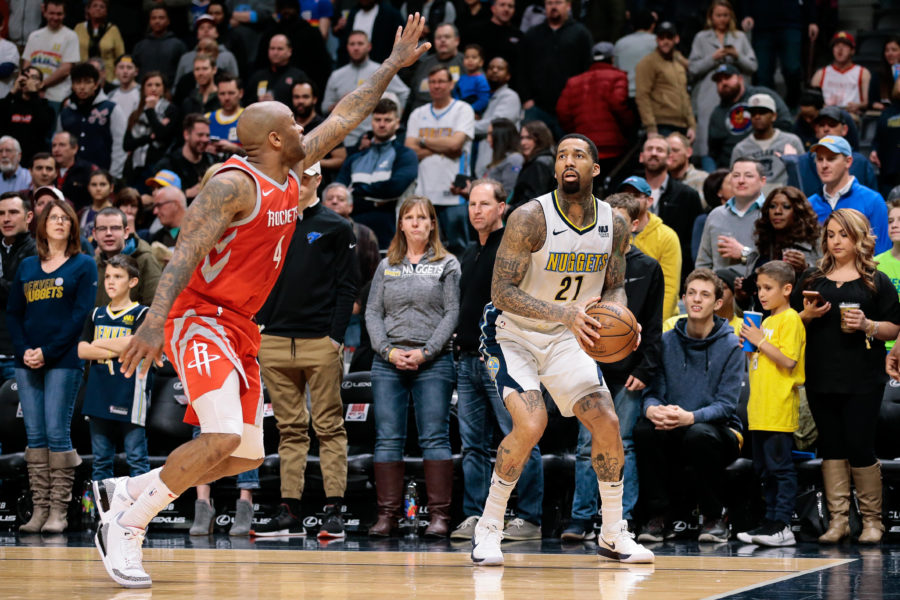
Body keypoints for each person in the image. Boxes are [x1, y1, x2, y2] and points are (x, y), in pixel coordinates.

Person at [91, 15, 429, 589]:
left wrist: (391, 67)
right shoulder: (231, 183)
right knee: (221, 436)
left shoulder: (290, 170)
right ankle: (128, 522)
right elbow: (181, 254)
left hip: (241, 324)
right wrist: (154, 322)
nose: (305, 127)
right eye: (294, 123)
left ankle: (128, 489)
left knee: (246, 454)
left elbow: (347, 113)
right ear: (274, 138)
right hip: (198, 316)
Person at [472, 134, 653, 566]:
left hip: (567, 337)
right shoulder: (529, 217)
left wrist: (620, 319)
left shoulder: (615, 222)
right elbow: (500, 291)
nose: (568, 161)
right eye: (561, 155)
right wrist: (564, 313)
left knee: (607, 422)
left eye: (579, 155)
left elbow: (614, 286)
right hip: (513, 334)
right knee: (531, 423)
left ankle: (612, 532)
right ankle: (490, 526)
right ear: (555, 169)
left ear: (595, 168)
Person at [253, 162, 357, 539]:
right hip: (274, 340)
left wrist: (335, 336)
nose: (297, 181)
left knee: (329, 426)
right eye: (291, 175)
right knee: (289, 429)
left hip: (319, 342)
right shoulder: (268, 222)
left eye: (304, 176)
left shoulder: (336, 226)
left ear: (317, 179)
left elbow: (348, 287)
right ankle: (289, 510)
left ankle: (334, 511)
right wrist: (259, 325)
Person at [563, 192, 664, 540]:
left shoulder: (648, 267)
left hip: (630, 371)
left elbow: (653, 324)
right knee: (583, 444)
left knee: (623, 443)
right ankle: (581, 518)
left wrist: (646, 369)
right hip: (587, 367)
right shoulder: (586, 263)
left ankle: (621, 518)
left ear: (634, 225)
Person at [797, 209, 900, 545]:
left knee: (860, 446)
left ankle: (873, 522)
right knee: (831, 447)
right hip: (820, 376)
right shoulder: (813, 279)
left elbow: (893, 327)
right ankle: (838, 521)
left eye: (843, 234)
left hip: (863, 378)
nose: (836, 241)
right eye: (831, 234)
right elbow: (790, 324)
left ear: (858, 238)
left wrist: (867, 325)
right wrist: (807, 316)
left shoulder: (876, 280)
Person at [452, 179, 544, 542]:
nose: (477, 210)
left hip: (503, 359)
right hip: (467, 359)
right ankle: (477, 514)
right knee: (472, 445)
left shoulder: (513, 251)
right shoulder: (469, 252)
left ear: (501, 207)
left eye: (484, 204)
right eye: (472, 204)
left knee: (521, 434)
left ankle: (528, 517)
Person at [365, 195, 459, 538]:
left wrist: (427, 351)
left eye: (423, 217)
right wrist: (388, 351)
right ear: (401, 224)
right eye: (410, 217)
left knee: (434, 437)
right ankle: (387, 516)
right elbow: (373, 312)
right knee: (387, 438)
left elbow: (452, 312)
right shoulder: (385, 264)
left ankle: (439, 517)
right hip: (387, 362)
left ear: (433, 224)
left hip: (433, 362)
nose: (416, 223)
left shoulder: (447, 263)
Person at [7, 198, 97, 534]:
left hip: (63, 359)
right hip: (26, 359)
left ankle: (59, 510)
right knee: (35, 435)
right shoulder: (28, 266)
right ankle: (39, 510)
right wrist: (25, 349)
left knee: (57, 432)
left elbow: (79, 317)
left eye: (65, 218)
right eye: (53, 217)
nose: (59, 222)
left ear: (73, 226)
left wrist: (47, 351)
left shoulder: (84, 264)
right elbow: (14, 312)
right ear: (42, 224)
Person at [634, 268, 743, 543]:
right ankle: (657, 518)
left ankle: (714, 517)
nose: (696, 300)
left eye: (705, 295)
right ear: (683, 299)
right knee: (645, 429)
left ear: (717, 304)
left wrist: (690, 417)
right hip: (675, 423)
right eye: (691, 293)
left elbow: (727, 406)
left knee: (699, 434)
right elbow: (653, 391)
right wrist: (651, 409)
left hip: (721, 431)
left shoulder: (731, 344)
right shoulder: (666, 341)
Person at [735, 260, 803, 547]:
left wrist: (760, 340)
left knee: (780, 469)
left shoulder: (791, 319)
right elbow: (763, 362)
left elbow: (788, 361)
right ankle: (769, 522)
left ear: (786, 289)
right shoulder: (767, 321)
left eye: (768, 288)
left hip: (778, 409)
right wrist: (750, 347)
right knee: (763, 469)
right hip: (759, 410)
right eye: (759, 288)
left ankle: (783, 524)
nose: (761, 294)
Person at [78, 254, 151, 483]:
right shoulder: (95, 314)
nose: (110, 281)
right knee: (101, 461)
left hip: (130, 391)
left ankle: (140, 516)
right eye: (108, 276)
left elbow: (135, 343)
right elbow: (81, 350)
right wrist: (117, 349)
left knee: (136, 458)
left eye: (118, 277)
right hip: (99, 391)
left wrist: (98, 344)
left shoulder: (143, 313)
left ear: (132, 282)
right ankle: (106, 514)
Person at [405, 65, 475, 255]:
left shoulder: (463, 110)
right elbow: (410, 149)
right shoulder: (418, 114)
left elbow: (456, 144)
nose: (436, 86)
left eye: (441, 81)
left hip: (454, 191)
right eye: (432, 82)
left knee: (458, 248)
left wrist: (423, 142)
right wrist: (441, 147)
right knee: (424, 249)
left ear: (451, 84)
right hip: (424, 192)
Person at [335, 97, 418, 248]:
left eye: (387, 120)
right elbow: (338, 190)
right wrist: (375, 202)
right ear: (371, 122)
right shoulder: (355, 158)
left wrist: (355, 193)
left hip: (390, 228)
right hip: (353, 228)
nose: (382, 124)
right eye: (377, 119)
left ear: (397, 123)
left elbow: (394, 188)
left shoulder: (406, 155)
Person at [734, 186, 821, 314]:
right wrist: (742, 297)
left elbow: (825, 287)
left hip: (797, 323)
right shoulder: (760, 249)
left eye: (786, 207)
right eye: (772, 206)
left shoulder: (814, 244)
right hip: (762, 325)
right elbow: (751, 304)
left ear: (798, 212)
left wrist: (805, 269)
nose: (777, 211)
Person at [688, 0, 756, 163]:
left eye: (725, 15)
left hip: (735, 94)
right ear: (711, 17)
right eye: (718, 15)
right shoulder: (701, 38)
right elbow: (693, 68)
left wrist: (737, 56)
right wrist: (713, 58)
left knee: (738, 131)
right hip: (708, 94)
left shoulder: (739, 36)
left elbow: (753, 66)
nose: (722, 19)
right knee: (708, 139)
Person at [556, 41, 634, 177]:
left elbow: (562, 111)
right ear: (612, 59)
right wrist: (628, 128)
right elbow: (618, 104)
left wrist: (576, 133)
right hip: (613, 146)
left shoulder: (574, 82)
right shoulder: (618, 77)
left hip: (584, 146)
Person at [322, 30, 410, 149]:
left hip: (373, 138)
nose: (356, 48)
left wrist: (395, 117)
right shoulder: (336, 75)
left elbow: (404, 93)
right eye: (352, 44)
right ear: (347, 47)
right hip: (342, 141)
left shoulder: (382, 71)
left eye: (360, 43)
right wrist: (342, 103)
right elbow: (324, 108)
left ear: (369, 46)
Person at [519, 0, 592, 138]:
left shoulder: (581, 33)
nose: (553, 7)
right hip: (537, 106)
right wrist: (526, 99)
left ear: (568, 6)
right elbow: (522, 68)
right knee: (533, 152)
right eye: (549, 3)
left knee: (568, 153)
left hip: (570, 108)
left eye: (558, 2)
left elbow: (587, 70)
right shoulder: (532, 34)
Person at [806, 136, 889, 255]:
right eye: (819, 159)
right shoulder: (810, 204)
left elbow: (882, 252)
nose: (824, 165)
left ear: (848, 161)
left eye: (831, 159)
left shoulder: (872, 200)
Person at [638, 134, 703, 284]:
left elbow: (693, 242)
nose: (654, 153)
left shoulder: (687, 195)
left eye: (659, 150)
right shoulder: (626, 192)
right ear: (641, 157)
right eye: (649, 149)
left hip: (674, 274)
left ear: (669, 158)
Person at [620, 176, 681, 321]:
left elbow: (669, 288)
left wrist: (658, 326)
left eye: (635, 195)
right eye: (625, 195)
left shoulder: (667, 236)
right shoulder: (612, 235)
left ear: (649, 201)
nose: (629, 200)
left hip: (652, 316)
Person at [707, 65, 792, 169]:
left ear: (740, 79)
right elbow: (714, 151)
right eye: (719, 81)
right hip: (735, 167)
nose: (723, 83)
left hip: (774, 158)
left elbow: (785, 123)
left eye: (727, 78)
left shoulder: (762, 94)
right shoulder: (717, 113)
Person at [741, 0, 817, 109]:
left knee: (792, 68)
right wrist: (746, 14)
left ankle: (793, 105)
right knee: (763, 74)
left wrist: (812, 20)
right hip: (762, 24)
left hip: (791, 21)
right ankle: (767, 109)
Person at [696, 157, 767, 274]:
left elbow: (779, 263)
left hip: (759, 289)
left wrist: (744, 253)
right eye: (736, 175)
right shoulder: (716, 215)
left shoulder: (771, 214)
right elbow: (703, 263)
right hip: (719, 289)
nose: (741, 180)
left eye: (748, 176)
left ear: (762, 181)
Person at [57, 61, 127, 177]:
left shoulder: (111, 108)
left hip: (102, 175)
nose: (82, 87)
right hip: (71, 176)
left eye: (87, 82)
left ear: (95, 85)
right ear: (73, 86)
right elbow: (58, 145)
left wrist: (113, 176)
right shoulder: (66, 112)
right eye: (78, 82)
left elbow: (119, 146)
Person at [730, 93, 804, 191]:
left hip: (787, 198)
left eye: (762, 112)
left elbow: (803, 173)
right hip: (753, 200)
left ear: (774, 116)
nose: (757, 117)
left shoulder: (791, 142)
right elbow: (734, 181)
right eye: (753, 113)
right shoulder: (741, 149)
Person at [635, 22, 695, 140]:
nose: (665, 41)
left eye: (669, 37)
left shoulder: (679, 63)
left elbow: (685, 95)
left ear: (676, 39)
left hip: (682, 125)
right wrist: (650, 127)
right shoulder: (648, 62)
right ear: (657, 39)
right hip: (661, 125)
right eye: (662, 38)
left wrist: (692, 124)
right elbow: (642, 95)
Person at [0, 192, 36, 385]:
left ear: (28, 217)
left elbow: (23, 294)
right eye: (1, 213)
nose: (6, 219)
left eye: (13, 212)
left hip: (18, 356)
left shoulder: (37, 252)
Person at [93, 207, 162, 306]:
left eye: (115, 228)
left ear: (126, 232)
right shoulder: (93, 264)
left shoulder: (145, 260)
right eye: (102, 229)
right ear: (94, 234)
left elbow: (155, 307)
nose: (108, 233)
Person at [123, 72, 180, 190]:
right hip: (136, 167)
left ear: (164, 88)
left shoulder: (171, 110)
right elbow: (127, 144)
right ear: (143, 89)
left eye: (158, 85)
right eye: (149, 85)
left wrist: (150, 110)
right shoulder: (135, 114)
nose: (153, 88)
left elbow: (162, 135)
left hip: (159, 166)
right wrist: (149, 137)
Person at [22, 0, 80, 113]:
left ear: (65, 15)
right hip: (33, 95)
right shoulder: (34, 36)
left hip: (56, 97)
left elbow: (65, 70)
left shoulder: (71, 36)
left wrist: (42, 85)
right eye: (52, 13)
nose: (55, 17)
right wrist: (32, 87)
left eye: (59, 14)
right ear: (44, 12)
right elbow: (26, 66)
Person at [149, 114, 217, 203]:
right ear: (186, 135)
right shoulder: (168, 164)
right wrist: (186, 193)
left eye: (207, 135)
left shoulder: (212, 162)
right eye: (200, 135)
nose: (205, 140)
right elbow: (154, 197)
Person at [472, 57, 521, 178]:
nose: (494, 70)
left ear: (508, 76)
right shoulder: (485, 97)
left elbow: (496, 124)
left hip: (500, 160)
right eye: (491, 68)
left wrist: (466, 127)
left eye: (500, 68)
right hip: (483, 157)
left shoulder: (510, 96)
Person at [0, 67, 55, 166]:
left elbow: (43, 126)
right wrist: (13, 90)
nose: (28, 80)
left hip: (32, 161)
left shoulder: (45, 107)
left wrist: (34, 93)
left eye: (33, 77)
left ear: (41, 84)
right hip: (7, 159)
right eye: (25, 77)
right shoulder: (10, 102)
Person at [406, 23, 463, 112]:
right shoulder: (424, 64)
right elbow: (412, 96)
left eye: (447, 37)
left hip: (454, 114)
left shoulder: (466, 63)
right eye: (438, 37)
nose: (442, 40)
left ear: (457, 40)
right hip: (421, 114)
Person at [811, 31, 870, 114]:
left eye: (845, 46)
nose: (840, 49)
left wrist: (858, 106)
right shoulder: (820, 74)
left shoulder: (863, 72)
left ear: (852, 51)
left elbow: (866, 103)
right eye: (836, 46)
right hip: (825, 115)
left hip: (851, 115)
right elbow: (812, 102)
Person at [245, 34, 310, 107]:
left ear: (289, 51)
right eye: (272, 48)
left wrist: (276, 103)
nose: (275, 53)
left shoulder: (298, 76)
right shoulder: (258, 76)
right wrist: (258, 101)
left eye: (280, 49)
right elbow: (246, 102)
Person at [131, 6, 187, 87]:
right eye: (153, 18)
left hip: (170, 92)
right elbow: (134, 71)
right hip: (143, 92)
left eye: (161, 18)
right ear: (149, 21)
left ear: (168, 21)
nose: (157, 21)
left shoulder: (178, 45)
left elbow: (183, 72)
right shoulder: (140, 46)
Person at [508, 121, 555, 214]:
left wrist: (509, 210)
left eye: (529, 138)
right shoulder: (541, 161)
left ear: (541, 139)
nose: (523, 142)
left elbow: (534, 202)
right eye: (522, 138)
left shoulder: (539, 164)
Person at [74, 0, 124, 83]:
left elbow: (120, 55)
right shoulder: (79, 28)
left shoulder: (113, 29)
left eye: (102, 7)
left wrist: (117, 78)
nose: (98, 9)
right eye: (95, 6)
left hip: (108, 78)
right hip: (82, 76)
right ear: (88, 10)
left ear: (106, 11)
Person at [613, 9, 657, 99]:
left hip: (625, 94)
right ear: (652, 26)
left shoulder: (620, 43)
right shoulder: (657, 42)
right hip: (650, 95)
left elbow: (615, 69)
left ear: (632, 26)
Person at [877, 199, 900, 352]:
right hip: (881, 345)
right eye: (890, 221)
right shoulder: (874, 263)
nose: (895, 225)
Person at [52, 130, 97, 210]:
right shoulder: (47, 169)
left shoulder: (88, 170)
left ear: (75, 148)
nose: (56, 149)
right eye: (54, 145)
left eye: (62, 145)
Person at [478, 118, 523, 194]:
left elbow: (507, 192)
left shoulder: (514, 159)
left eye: (490, 134)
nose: (488, 139)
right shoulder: (500, 158)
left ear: (501, 135)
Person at [206, 73, 245, 157]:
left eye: (231, 93)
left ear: (241, 93)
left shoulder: (249, 118)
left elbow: (259, 154)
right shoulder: (207, 119)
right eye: (222, 94)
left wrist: (235, 149)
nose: (226, 98)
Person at [666, 132, 708, 199]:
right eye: (667, 151)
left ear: (689, 152)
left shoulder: (702, 178)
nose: (670, 155)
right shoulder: (662, 181)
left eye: (675, 150)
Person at [453, 44, 490, 115]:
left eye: (474, 57)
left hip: (473, 112)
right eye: (467, 57)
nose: (470, 60)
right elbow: (456, 94)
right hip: (459, 110)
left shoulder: (481, 80)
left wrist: (468, 110)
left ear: (481, 62)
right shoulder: (461, 78)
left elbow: (483, 100)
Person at [78, 169, 113, 239]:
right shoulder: (83, 213)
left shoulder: (118, 212)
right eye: (94, 185)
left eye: (103, 184)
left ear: (111, 188)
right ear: (88, 188)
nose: (98, 188)